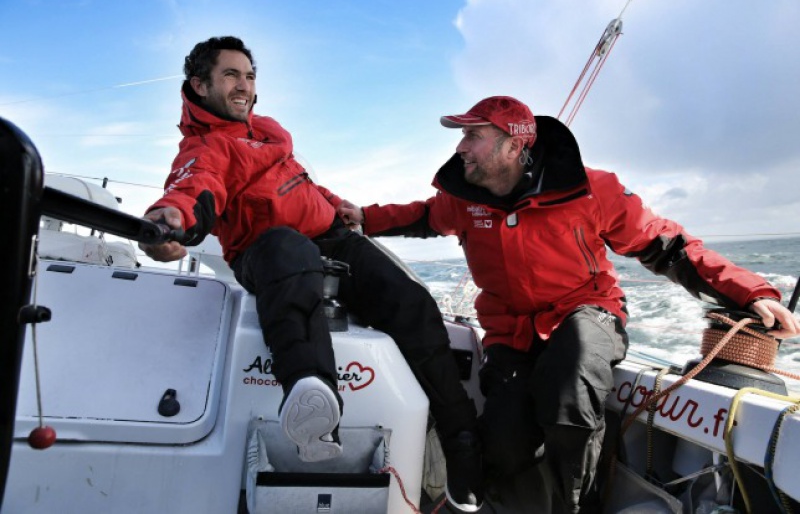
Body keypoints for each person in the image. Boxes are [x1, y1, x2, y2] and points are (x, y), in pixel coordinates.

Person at [338, 95, 800, 513]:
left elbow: (668, 245)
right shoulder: (462, 199)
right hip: (510, 331)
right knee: (503, 442)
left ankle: (579, 509)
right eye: (462, 136)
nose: (461, 147)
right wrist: (365, 219)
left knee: (570, 389)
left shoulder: (591, 189)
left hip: (587, 312)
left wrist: (749, 291)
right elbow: (421, 215)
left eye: (473, 135)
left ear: (513, 146)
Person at [138, 36, 484, 512]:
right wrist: (172, 220)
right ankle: (311, 398)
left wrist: (331, 202)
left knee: (410, 301)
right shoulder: (208, 146)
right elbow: (194, 188)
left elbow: (293, 180)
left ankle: (461, 443)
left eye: (249, 75)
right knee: (289, 246)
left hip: (331, 239)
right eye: (230, 75)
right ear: (199, 85)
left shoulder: (268, 134)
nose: (244, 85)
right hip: (270, 252)